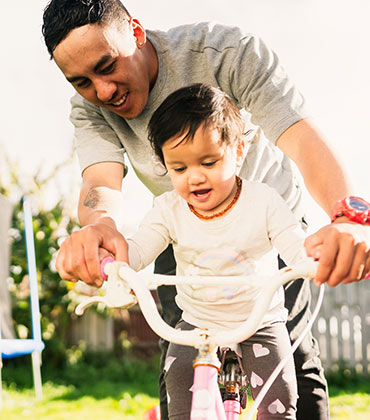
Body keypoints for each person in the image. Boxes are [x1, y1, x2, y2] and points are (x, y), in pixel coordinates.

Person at [41, 1, 370, 419]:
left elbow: (300, 136)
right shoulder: (91, 107)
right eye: (82, 82)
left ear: (136, 32)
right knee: (179, 364)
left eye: (108, 66)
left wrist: (348, 219)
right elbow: (101, 182)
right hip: (184, 235)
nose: (102, 91)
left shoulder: (225, 52)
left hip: (268, 231)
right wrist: (98, 229)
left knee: (292, 364)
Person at [128, 82, 310, 419]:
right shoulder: (168, 208)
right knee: (179, 383)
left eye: (208, 162)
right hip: (197, 323)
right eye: (179, 168)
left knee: (279, 403)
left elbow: (295, 246)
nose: (194, 178)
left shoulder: (264, 201)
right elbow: (138, 248)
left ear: (239, 151)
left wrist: (311, 262)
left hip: (260, 321)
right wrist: (117, 266)